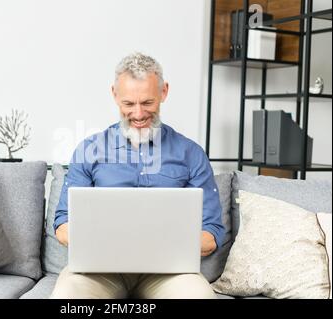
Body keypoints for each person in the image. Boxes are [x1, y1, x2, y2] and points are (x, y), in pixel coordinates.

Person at [50, 52, 224, 299]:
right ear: (114, 95)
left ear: (164, 92)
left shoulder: (191, 154)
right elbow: (63, 224)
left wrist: (154, 247)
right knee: (67, 297)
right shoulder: (89, 150)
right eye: (129, 104)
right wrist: (109, 243)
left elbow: (211, 233)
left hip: (168, 274)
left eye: (148, 103)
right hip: (99, 272)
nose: (139, 114)